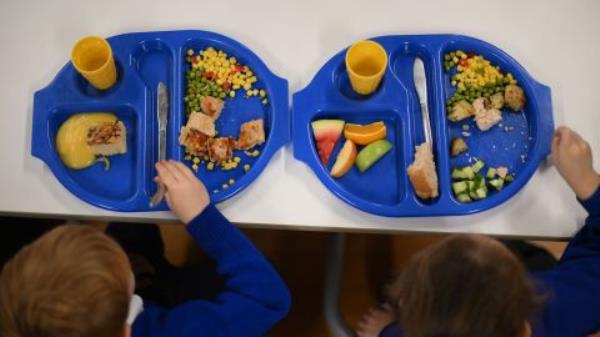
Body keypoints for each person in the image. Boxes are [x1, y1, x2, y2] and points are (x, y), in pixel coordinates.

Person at [0, 160, 291, 337]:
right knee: (213, 281)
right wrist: (202, 218)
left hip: (136, 301)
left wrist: (121, 290)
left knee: (130, 232)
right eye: (122, 270)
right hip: (166, 308)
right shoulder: (183, 332)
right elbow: (269, 297)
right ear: (126, 325)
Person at [356, 126, 600, 337]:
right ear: (525, 325)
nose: (477, 233)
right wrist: (588, 182)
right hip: (559, 272)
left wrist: (384, 331)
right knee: (532, 255)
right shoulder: (565, 304)